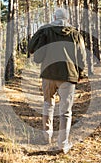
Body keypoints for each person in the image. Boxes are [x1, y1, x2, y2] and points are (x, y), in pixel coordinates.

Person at [28, 8, 86, 154]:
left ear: (54, 17)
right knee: (66, 111)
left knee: (48, 104)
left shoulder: (46, 30)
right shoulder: (75, 33)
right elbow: (82, 56)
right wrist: (81, 73)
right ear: (67, 18)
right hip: (68, 75)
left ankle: (46, 136)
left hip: (48, 73)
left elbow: (30, 46)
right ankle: (63, 144)